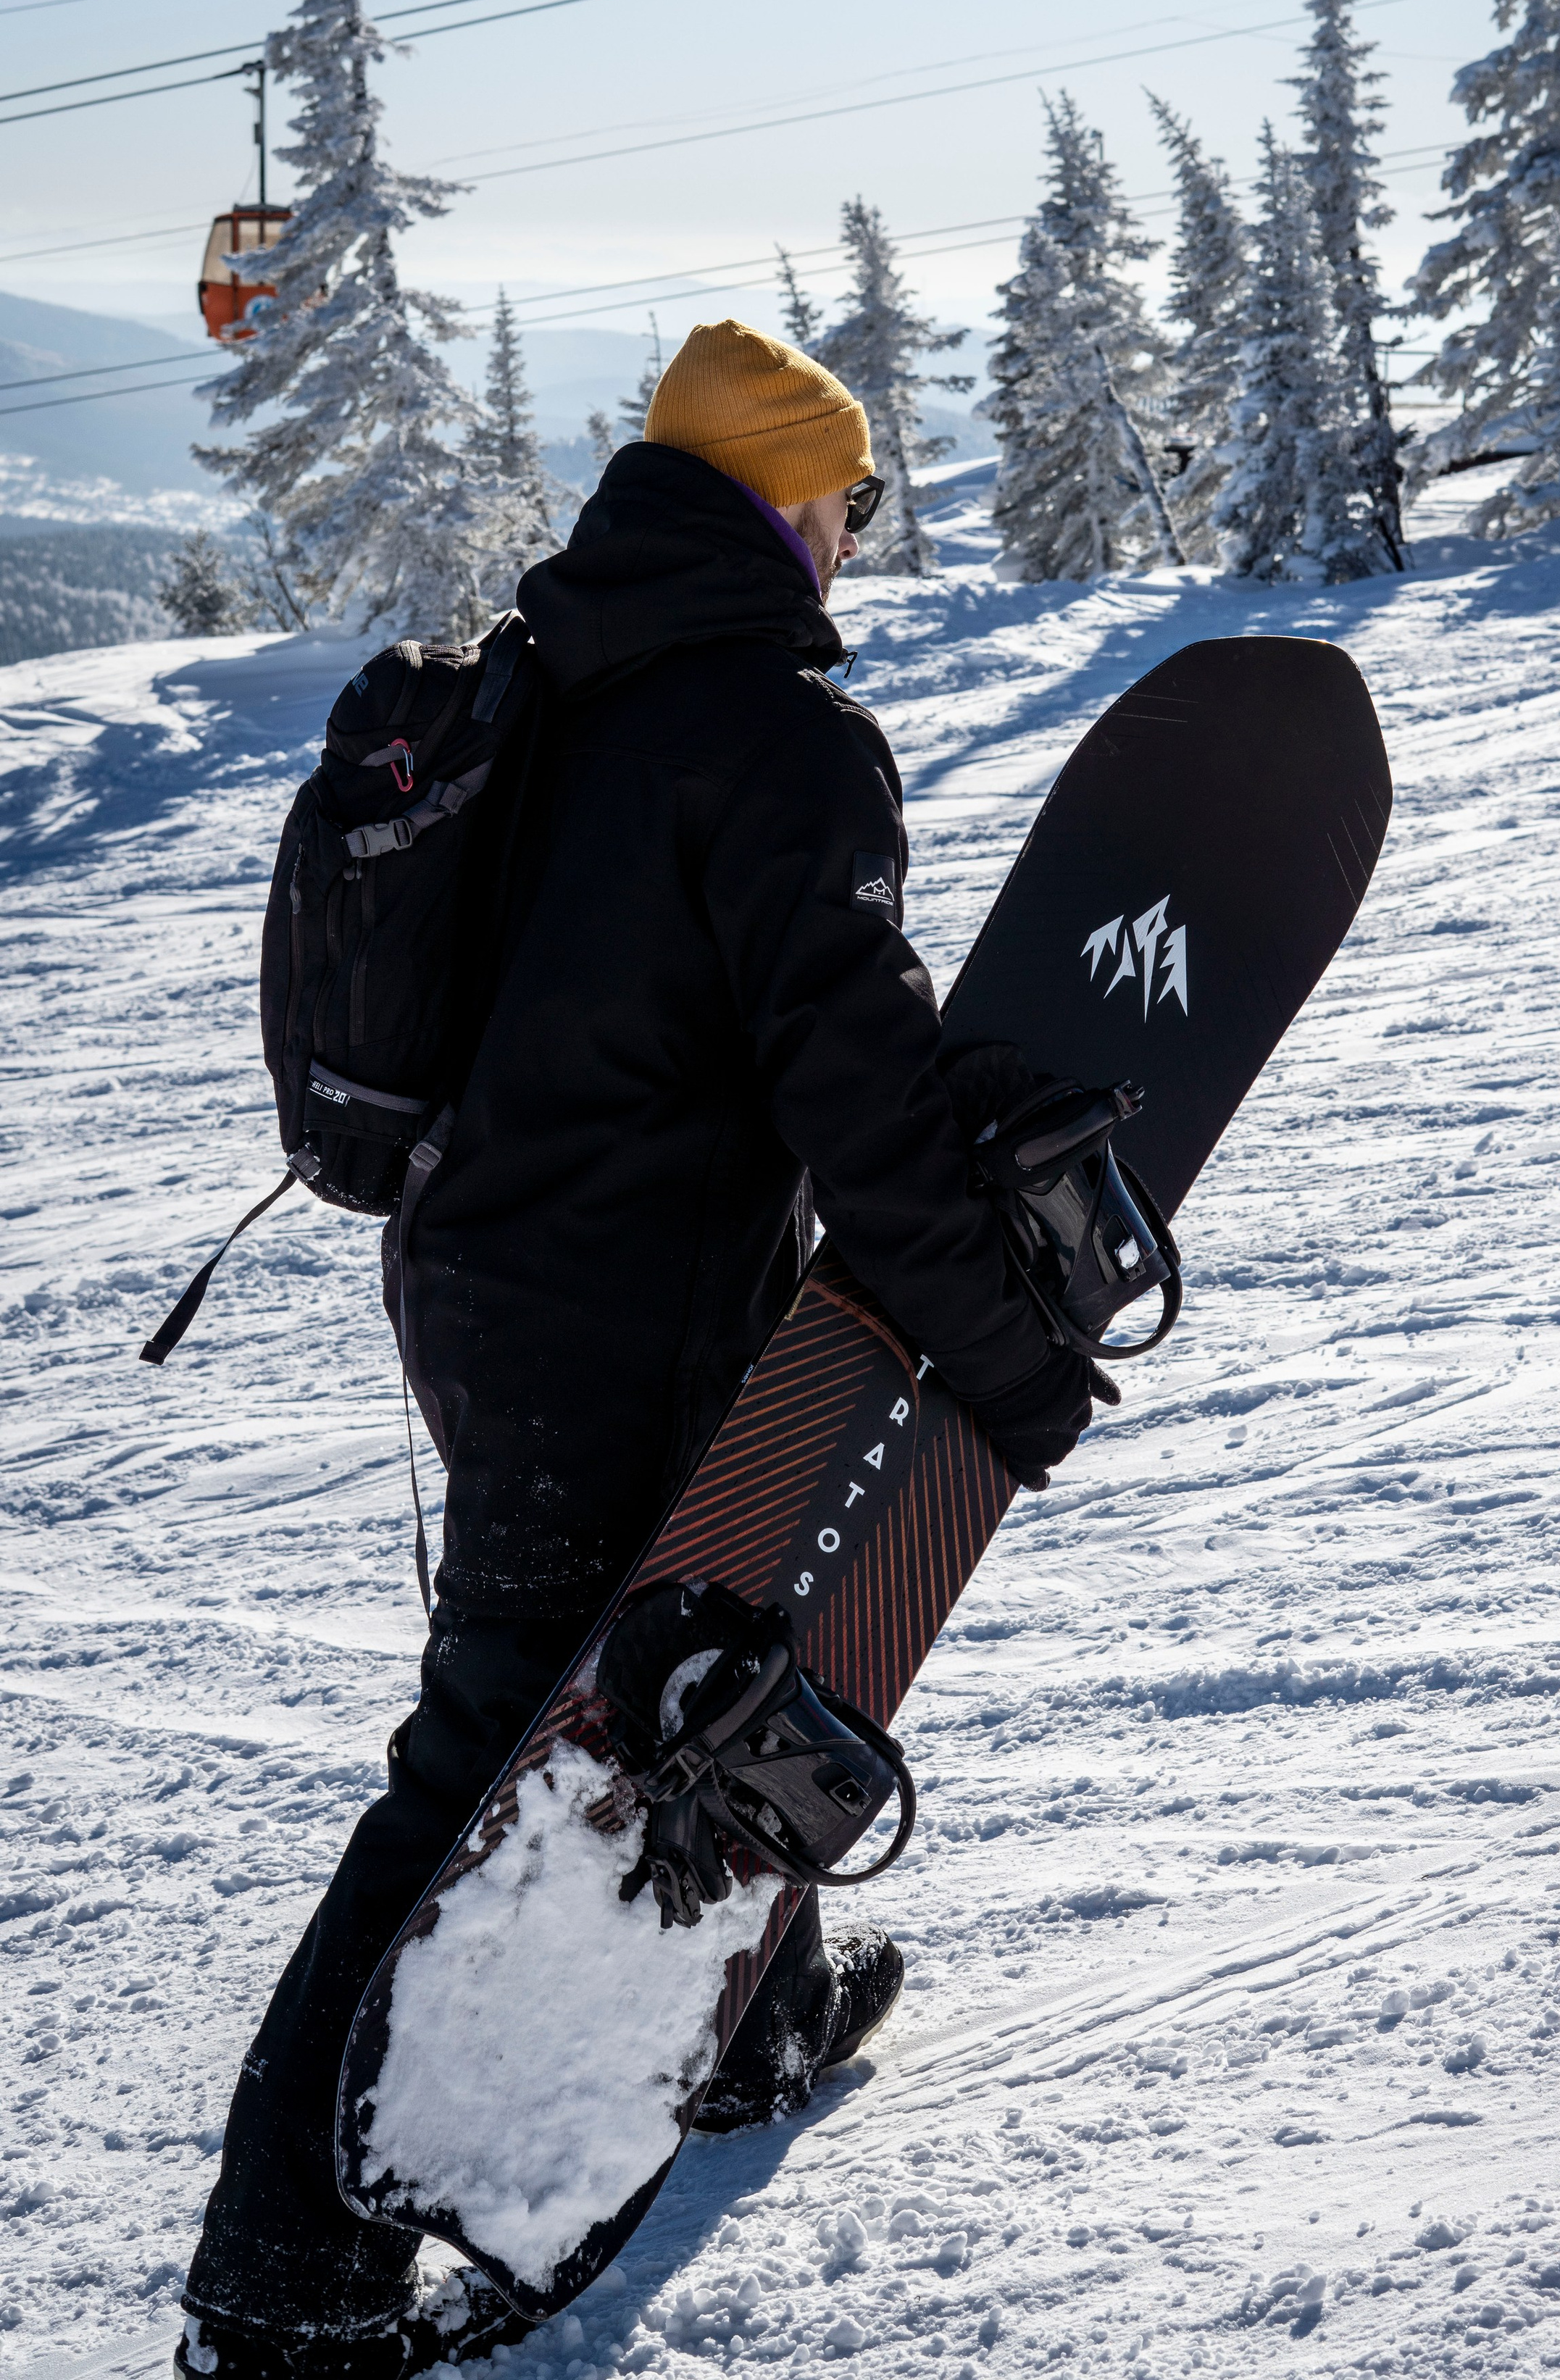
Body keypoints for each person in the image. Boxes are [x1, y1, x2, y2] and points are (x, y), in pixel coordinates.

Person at [178, 320, 1101, 2380]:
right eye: (849, 506)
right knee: (489, 1765)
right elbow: (856, 1088)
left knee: (699, 1651)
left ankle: (751, 2028)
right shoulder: (768, 740)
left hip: (499, 1286)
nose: (853, 546)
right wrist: (1007, 1367)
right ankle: (276, 2287)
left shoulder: (563, 681)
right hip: (609, 1322)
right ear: (790, 501)